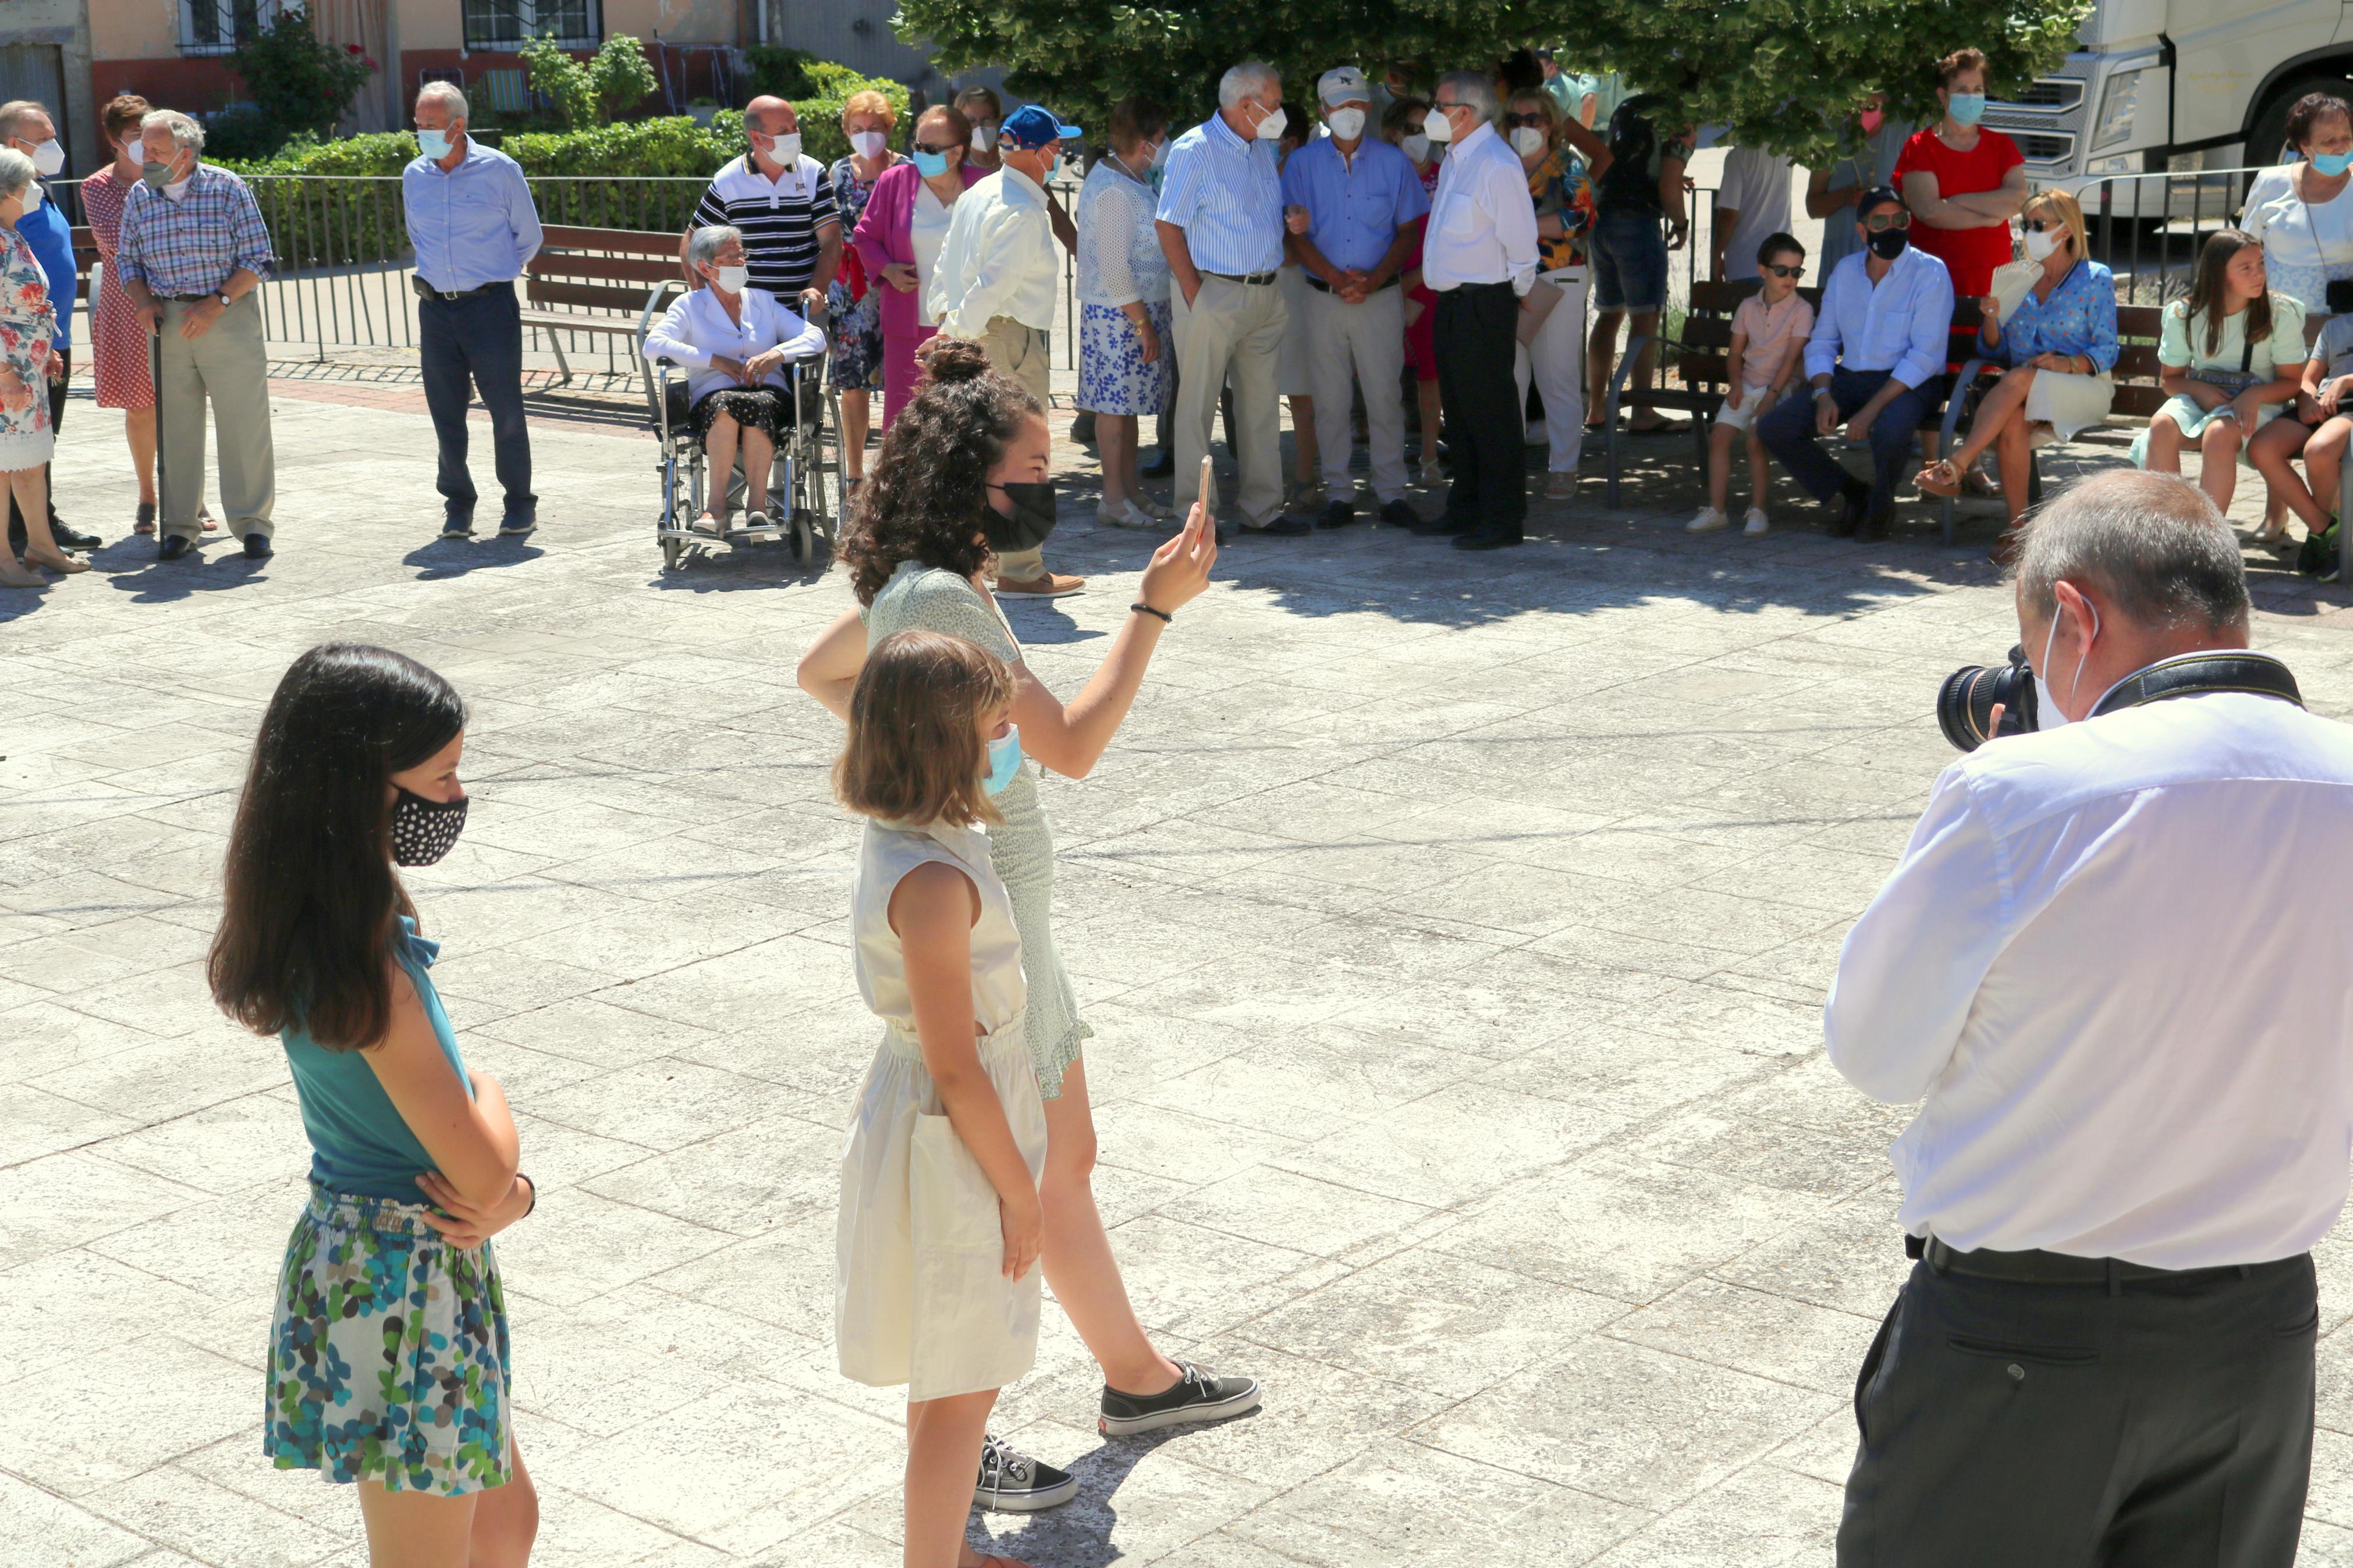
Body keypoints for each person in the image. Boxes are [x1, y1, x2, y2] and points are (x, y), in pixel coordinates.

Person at [1827, 468, 2353, 1567]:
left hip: (2023, 1339)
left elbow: (1875, 1053)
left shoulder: (2020, 792)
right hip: (2255, 1338)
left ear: (2073, 615)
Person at [797, 338, 1257, 1516]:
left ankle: (1129, 1379)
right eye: (1031, 463)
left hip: (995, 902)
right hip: (993, 914)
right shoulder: (948, 596)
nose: (1042, 484)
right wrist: (1155, 607)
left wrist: (920, 750)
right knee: (1021, 1170)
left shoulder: (909, 581)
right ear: (970, 476)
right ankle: (975, 1424)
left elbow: (822, 672)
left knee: (1058, 1166)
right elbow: (1077, 742)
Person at [208, 643, 540, 1565]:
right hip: (406, 1278)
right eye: (441, 776)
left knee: (505, 1522)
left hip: (383, 1256)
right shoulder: (373, 971)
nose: (455, 794)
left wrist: (498, 1184)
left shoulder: (316, 920)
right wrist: (499, 1118)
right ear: (363, 789)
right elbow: (484, 1168)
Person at [831, 628, 1052, 1568]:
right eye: (998, 727)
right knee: (964, 1385)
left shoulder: (925, 843)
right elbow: (956, 1067)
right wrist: (1018, 1191)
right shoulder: (927, 882)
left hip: (954, 1117)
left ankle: (945, 1552)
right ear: (943, 746)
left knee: (953, 1364)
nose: (1012, 740)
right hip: (955, 1135)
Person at [929, 102, 1087, 598]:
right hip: (1007, 336)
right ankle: (1020, 568)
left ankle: (984, 558)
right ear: (1040, 152)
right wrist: (954, 327)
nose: (1061, 153)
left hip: (979, 329)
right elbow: (992, 285)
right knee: (1019, 451)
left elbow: (946, 262)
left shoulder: (981, 191)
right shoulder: (1021, 210)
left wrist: (943, 320)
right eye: (1057, 146)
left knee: (980, 450)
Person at [1917, 189, 2117, 557]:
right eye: (2026, 225)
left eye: (2039, 224)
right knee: (2013, 418)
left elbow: (2106, 350)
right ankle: (2018, 530)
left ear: (2066, 230)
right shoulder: (2020, 278)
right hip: (2023, 392)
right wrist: (1991, 319)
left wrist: (2066, 364)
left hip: (2082, 387)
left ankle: (1958, 463)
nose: (2030, 232)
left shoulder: (2094, 277)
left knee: (2020, 379)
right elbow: (1996, 351)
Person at [116, 108, 277, 561]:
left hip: (227, 314)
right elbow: (128, 261)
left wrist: (216, 303)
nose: (145, 156)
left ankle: (253, 525)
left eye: (156, 149)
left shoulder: (228, 188)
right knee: (176, 427)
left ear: (185, 153)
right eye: (143, 147)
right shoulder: (140, 197)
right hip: (166, 319)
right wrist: (142, 300)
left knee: (244, 425)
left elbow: (258, 258)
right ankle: (180, 526)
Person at [1156, 62, 1308, 536]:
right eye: (1276, 102)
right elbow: (1168, 223)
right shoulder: (1194, 149)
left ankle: (1262, 510)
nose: (1280, 110)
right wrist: (1194, 292)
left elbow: (1252, 213)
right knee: (1197, 407)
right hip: (1212, 290)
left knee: (1261, 406)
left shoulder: (1260, 148)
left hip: (1264, 292)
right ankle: (1195, 516)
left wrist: (1291, 219)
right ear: (1248, 105)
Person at [1758, 186, 1953, 542]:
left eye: (1900, 219)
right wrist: (1823, 393)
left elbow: (1925, 356)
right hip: (1851, 376)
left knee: (1890, 431)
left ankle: (1881, 503)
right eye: (1881, 221)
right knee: (1775, 428)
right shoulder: (1846, 271)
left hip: (1911, 382)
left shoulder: (1930, 272)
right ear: (1862, 230)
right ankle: (1855, 494)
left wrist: (1872, 410)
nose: (1892, 227)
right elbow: (1824, 340)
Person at [1281, 65, 1428, 529]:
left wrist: (1374, 278)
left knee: (1385, 395)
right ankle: (1340, 494)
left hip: (1379, 296)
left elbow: (1407, 231)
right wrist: (1336, 278)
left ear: (1368, 106)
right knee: (1329, 399)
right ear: (1323, 110)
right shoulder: (1302, 164)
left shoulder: (1393, 161)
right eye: (1340, 104)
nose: (1350, 112)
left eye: (1358, 103)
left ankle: (1391, 493)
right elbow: (1294, 234)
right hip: (1322, 296)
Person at [405, 81, 542, 543]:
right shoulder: (414, 174)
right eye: (418, 123)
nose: (420, 132)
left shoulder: (500, 170)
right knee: (446, 414)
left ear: (457, 126)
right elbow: (417, 235)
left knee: (505, 411)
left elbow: (529, 237)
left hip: (489, 307)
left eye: (428, 124)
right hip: (436, 311)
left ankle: (519, 504)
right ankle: (458, 506)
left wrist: (492, 273)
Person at [1414, 72, 1539, 551]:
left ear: (1465, 113)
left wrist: (1510, 299)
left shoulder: (1494, 163)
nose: (1432, 114)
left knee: (1491, 415)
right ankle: (1465, 508)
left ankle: (1503, 519)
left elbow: (1522, 248)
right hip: (1451, 304)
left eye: (1439, 105)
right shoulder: (1455, 159)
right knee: (1461, 415)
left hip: (1484, 304)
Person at [643, 225, 827, 536]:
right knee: (726, 404)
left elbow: (815, 337)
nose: (741, 261)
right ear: (705, 267)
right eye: (731, 257)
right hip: (714, 396)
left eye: (742, 254)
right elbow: (654, 345)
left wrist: (776, 355)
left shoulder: (762, 302)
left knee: (758, 404)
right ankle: (716, 509)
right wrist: (713, 360)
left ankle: (757, 507)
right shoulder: (689, 306)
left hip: (768, 393)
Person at [2134, 230, 2304, 517]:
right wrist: (2199, 390)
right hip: (2203, 400)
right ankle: (2165, 529)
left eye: (2261, 264)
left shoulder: (2280, 312)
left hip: (2261, 405)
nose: (2259, 274)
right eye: (2246, 268)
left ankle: (2209, 537)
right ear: (2219, 273)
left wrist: (2254, 395)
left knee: (2218, 433)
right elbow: (2170, 380)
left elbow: (2291, 383)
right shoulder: (2184, 315)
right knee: (2161, 425)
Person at [82, 93, 187, 539]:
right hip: (128, 306)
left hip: (176, 299)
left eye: (150, 134)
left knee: (181, 406)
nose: (146, 144)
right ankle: (148, 494)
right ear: (114, 140)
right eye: (135, 136)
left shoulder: (175, 176)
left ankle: (188, 493)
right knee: (142, 408)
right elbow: (118, 243)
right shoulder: (96, 187)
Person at [853, 103, 985, 432]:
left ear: (957, 152)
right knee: (905, 419)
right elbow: (865, 237)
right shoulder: (895, 181)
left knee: (964, 420)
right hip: (908, 326)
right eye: (917, 146)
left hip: (969, 324)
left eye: (930, 149)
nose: (920, 154)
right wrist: (888, 270)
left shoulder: (983, 186)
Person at [0, 99, 94, 560]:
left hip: (50, 341)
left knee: (44, 439)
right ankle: (24, 533)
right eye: (46, 137)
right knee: (21, 445)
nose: (55, 145)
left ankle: (43, 525)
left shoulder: (38, 187)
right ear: (16, 142)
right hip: (15, 354)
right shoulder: (14, 193)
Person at [1076, 95, 1176, 531]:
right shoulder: (1115, 190)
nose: (1166, 143)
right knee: (1113, 409)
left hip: (1133, 311)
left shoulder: (1132, 178)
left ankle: (1129, 490)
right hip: (1118, 315)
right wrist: (1143, 325)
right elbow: (1115, 267)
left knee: (1129, 407)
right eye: (1161, 136)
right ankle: (1112, 498)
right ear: (1144, 141)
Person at [1503, 87, 1607, 500]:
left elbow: (1580, 218)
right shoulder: (1499, 164)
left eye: (1532, 119)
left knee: (1558, 377)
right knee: (1508, 378)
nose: (1523, 127)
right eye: (1514, 119)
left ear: (1549, 123)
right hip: (1504, 282)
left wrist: (1520, 228)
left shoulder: (1568, 163)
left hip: (1559, 279)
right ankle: (1505, 465)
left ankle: (1563, 468)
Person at [1688, 233, 1813, 537]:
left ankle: (1758, 511)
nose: (1790, 278)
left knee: (1756, 439)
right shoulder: (1748, 306)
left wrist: (1772, 395)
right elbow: (1734, 353)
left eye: (1797, 272)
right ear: (1763, 271)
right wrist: (1735, 384)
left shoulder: (1802, 310)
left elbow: (1791, 360)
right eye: (1782, 271)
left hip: (1782, 387)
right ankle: (1716, 510)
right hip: (1748, 383)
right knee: (1719, 436)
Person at [1587, 89, 1691, 434]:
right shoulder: (1682, 117)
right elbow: (1668, 184)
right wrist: (1681, 223)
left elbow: (1627, 162)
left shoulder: (1631, 106)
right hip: (1637, 222)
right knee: (1645, 318)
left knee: (1609, 313)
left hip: (1603, 218)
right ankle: (1643, 411)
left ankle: (1597, 410)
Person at [1894, 49, 2027, 310]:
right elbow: (1930, 211)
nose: (1972, 97)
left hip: (1993, 282)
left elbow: (2017, 200)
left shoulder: (2001, 146)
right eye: (1963, 90)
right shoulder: (1920, 147)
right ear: (1943, 96)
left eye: (1978, 89)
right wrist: (1990, 217)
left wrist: (1956, 202)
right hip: (1934, 281)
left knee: (1988, 348)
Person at [687, 95, 839, 309]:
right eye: (783, 132)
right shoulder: (728, 180)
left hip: (802, 310)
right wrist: (704, 298)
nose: (794, 135)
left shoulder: (813, 174)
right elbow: (693, 241)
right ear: (756, 138)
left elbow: (832, 242)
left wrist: (817, 288)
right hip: (749, 314)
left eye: (795, 127)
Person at [828, 90, 899, 488]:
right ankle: (854, 476)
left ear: (889, 129)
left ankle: (895, 474)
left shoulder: (906, 169)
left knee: (902, 385)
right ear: (846, 130)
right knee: (852, 387)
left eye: (874, 128)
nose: (866, 135)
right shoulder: (836, 173)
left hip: (898, 288)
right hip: (852, 294)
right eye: (858, 129)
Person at [2240, 92, 2353, 317]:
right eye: (2329, 141)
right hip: (2279, 328)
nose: (2341, 147)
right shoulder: (2269, 183)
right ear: (2305, 146)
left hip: (2345, 334)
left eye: (2347, 138)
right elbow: (2243, 251)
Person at [2250, 303, 2353, 546]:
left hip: (2349, 409)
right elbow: (2309, 379)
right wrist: (2306, 399)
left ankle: (2327, 540)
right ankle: (2324, 527)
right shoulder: (2336, 327)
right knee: (2262, 448)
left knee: (2319, 450)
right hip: (2320, 406)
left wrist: (2346, 382)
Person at [1386, 96, 1445, 485]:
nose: (1419, 137)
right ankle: (1386, 464)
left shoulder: (1448, 173)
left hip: (1433, 286)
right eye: (1411, 128)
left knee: (1431, 376)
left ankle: (1429, 458)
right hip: (1385, 286)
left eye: (1426, 128)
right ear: (1391, 133)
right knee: (1383, 377)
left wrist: (1420, 277)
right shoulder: (1381, 175)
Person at [956, 84, 1078, 253]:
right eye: (971, 121)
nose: (979, 127)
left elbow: (1057, 217)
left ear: (998, 119)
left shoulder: (1019, 161)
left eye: (986, 119)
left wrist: (1087, 260)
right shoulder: (955, 166)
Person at [1273, 116, 1323, 514]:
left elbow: (1297, 246)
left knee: (1300, 390)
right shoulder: (1253, 168)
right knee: (1252, 391)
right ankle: (1265, 481)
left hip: (1293, 291)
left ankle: (1306, 478)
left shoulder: (1305, 173)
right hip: (1258, 290)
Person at [1809, 94, 1916, 277]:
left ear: (1886, 102)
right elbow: (1813, 207)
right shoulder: (1831, 137)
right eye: (1853, 107)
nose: (1860, 113)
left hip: (1891, 255)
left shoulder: (1904, 134)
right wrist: (1846, 197)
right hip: (1841, 254)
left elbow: (1918, 203)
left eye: (1869, 106)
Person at [1712, 141, 1794, 284]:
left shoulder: (1739, 155)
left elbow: (1729, 214)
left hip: (1746, 260)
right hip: (1783, 257)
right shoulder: (1786, 150)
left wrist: (1716, 255)